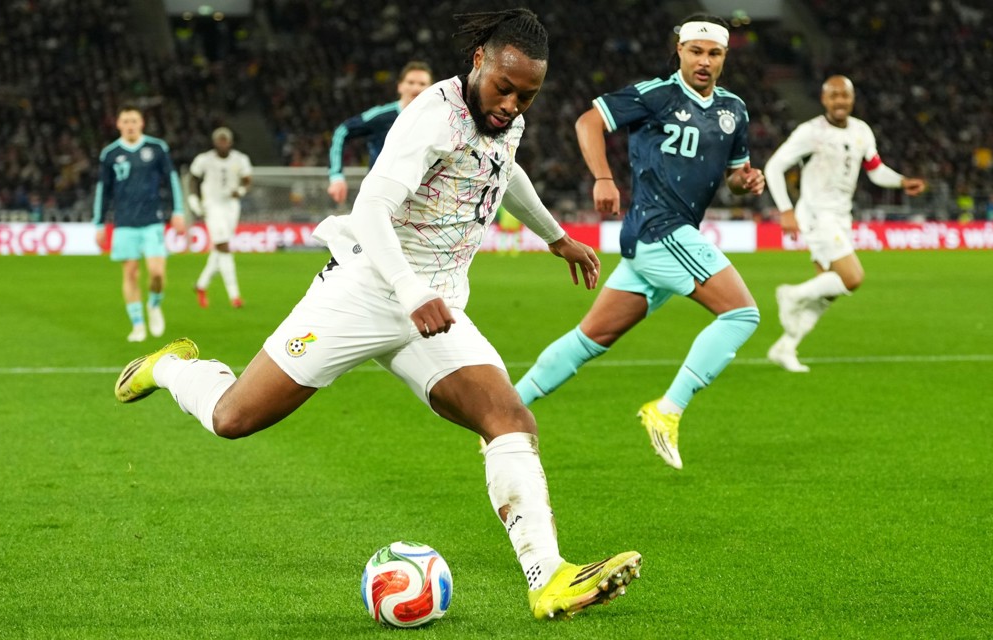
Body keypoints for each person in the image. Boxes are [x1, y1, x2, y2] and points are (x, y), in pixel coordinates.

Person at [114, 9, 640, 621]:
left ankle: (549, 579)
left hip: (432, 310)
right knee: (233, 418)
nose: (512, 105)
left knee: (508, 417)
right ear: (477, 60)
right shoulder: (430, 119)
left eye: (527, 95)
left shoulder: (505, 118)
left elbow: (505, 168)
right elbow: (370, 209)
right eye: (504, 87)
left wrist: (554, 236)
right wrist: (410, 289)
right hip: (365, 293)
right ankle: (172, 369)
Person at [514, 13, 765, 471]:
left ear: (724, 57)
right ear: (681, 51)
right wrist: (604, 177)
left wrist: (743, 184)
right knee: (742, 313)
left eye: (713, 53)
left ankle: (506, 409)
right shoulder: (657, 95)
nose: (704, 61)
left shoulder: (735, 111)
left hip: (666, 235)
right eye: (695, 51)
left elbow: (732, 178)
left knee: (590, 339)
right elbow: (588, 122)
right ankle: (667, 409)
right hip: (659, 228)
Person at [764, 75, 926, 373]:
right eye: (833, 96)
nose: (840, 101)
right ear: (824, 100)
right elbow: (774, 167)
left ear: (852, 99)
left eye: (845, 96)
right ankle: (791, 295)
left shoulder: (861, 131)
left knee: (828, 292)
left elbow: (875, 170)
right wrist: (785, 210)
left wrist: (901, 182)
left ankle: (786, 347)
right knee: (852, 278)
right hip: (816, 214)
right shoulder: (810, 132)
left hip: (841, 217)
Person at [94, 106, 187, 342]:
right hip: (124, 222)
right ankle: (137, 325)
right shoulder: (110, 153)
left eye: (134, 120)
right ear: (118, 124)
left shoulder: (156, 148)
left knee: (156, 272)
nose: (130, 125)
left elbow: (172, 179)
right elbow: (103, 190)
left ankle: (154, 305)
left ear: (142, 123)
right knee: (131, 273)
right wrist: (99, 224)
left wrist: (177, 211)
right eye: (125, 121)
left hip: (152, 220)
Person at [325, 60, 433, 205]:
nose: (416, 88)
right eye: (411, 82)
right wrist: (336, 176)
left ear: (431, 88)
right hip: (380, 197)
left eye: (422, 84)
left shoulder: (438, 120)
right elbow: (342, 131)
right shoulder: (381, 116)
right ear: (400, 86)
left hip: (422, 199)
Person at [187, 127, 254, 308]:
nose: (223, 143)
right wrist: (193, 199)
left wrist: (240, 191)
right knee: (224, 246)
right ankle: (235, 296)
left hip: (231, 206)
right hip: (212, 205)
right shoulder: (205, 159)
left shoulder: (240, 159)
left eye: (225, 140)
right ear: (214, 142)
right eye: (219, 140)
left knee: (219, 248)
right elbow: (192, 178)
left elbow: (247, 179)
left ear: (230, 142)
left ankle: (201, 285)